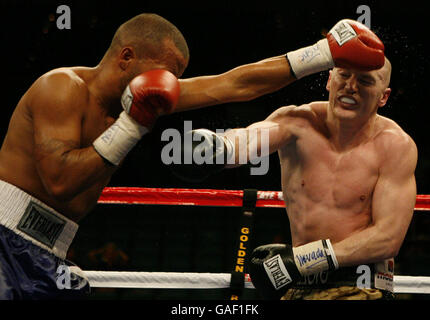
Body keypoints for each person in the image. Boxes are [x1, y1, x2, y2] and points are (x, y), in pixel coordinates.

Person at [0, 13, 387, 299]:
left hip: (48, 255)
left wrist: (321, 53)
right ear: (126, 57)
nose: (167, 87)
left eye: (174, 77)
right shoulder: (61, 87)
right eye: (163, 74)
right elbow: (60, 181)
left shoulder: (139, 98)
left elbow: (235, 84)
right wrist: (133, 125)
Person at [183, 20, 417, 300]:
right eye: (344, 75)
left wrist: (301, 260)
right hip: (298, 286)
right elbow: (248, 139)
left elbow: (387, 239)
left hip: (362, 286)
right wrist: (216, 147)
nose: (351, 87)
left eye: (365, 81)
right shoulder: (296, 123)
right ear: (330, 79)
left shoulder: (395, 145)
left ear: (383, 97)